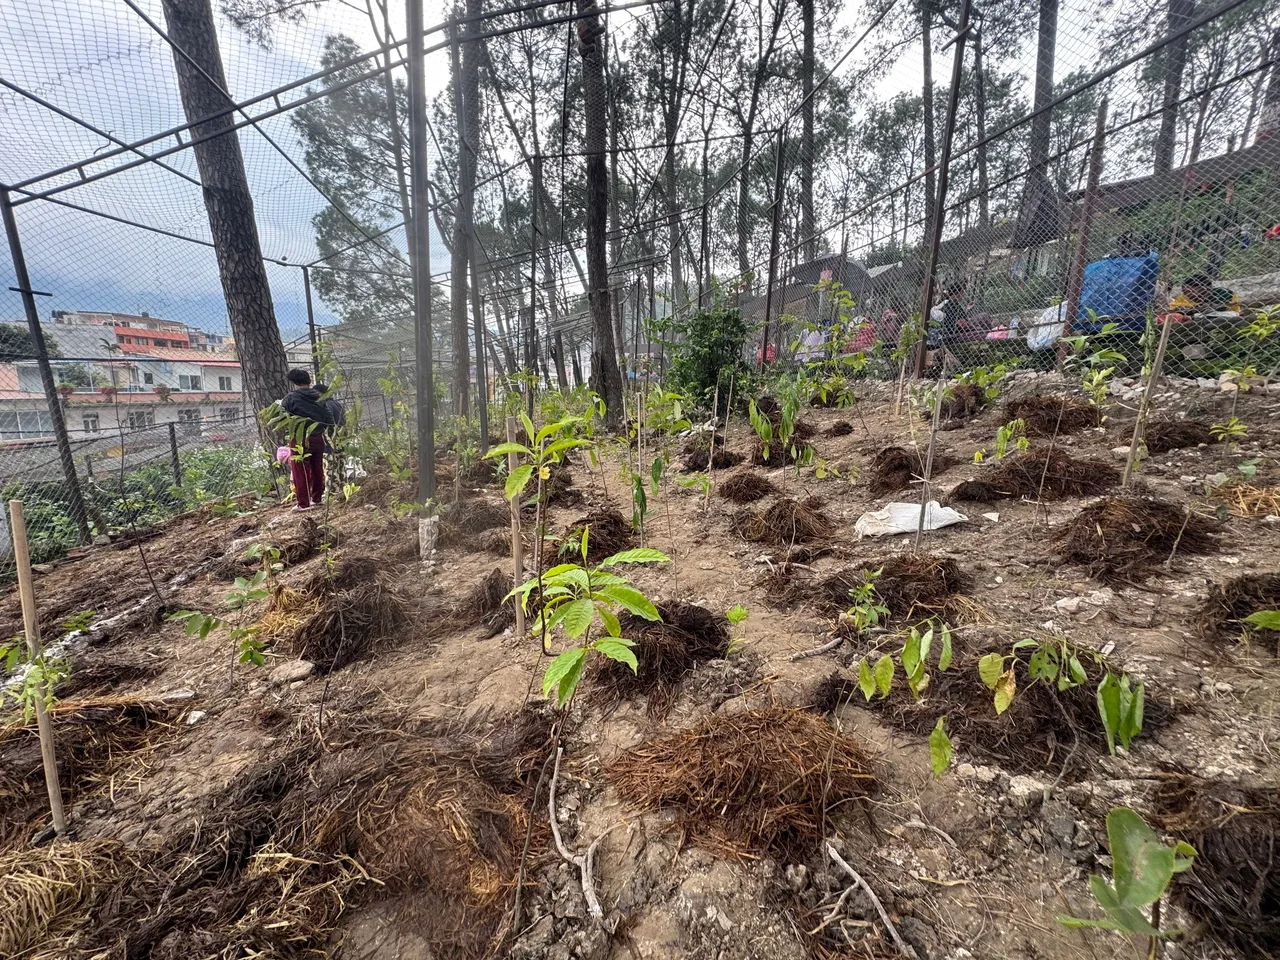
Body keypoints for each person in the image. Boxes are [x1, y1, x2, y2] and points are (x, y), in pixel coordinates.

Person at [280, 369, 331, 511]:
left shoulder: (290, 398)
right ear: (309, 381)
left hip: (299, 438)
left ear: (293, 382)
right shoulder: (319, 397)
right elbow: (328, 417)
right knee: (317, 468)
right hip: (318, 436)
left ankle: (303, 503)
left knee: (300, 470)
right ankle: (317, 498)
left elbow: (283, 417)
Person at [314, 382, 347, 499]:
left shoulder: (325, 406)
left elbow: (328, 424)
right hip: (341, 440)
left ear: (320, 393)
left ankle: (331, 494)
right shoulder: (337, 404)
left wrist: (328, 441)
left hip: (330, 442)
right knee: (341, 466)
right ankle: (344, 490)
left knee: (330, 467)